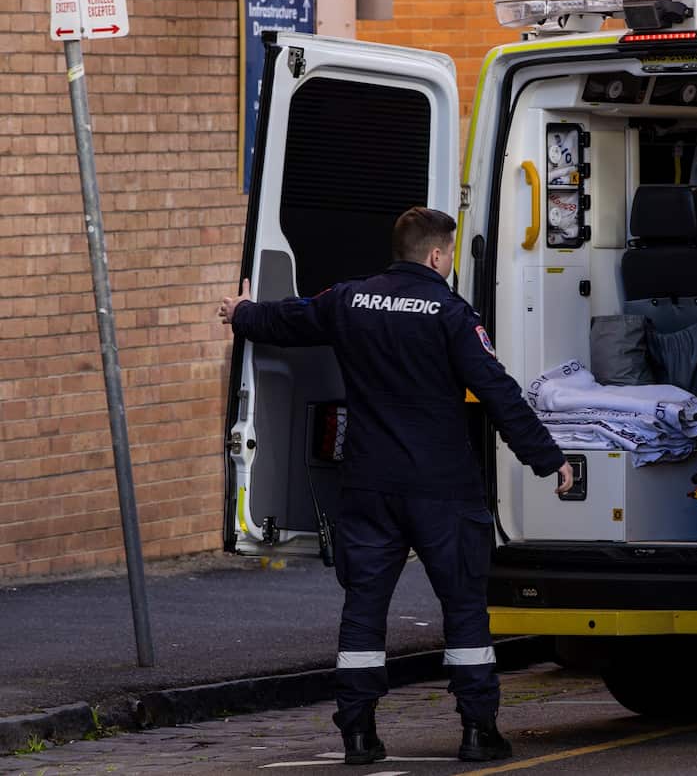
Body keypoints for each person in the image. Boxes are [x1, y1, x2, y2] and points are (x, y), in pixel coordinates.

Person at [217, 207, 572, 765]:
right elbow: (498, 392)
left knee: (364, 608)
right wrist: (548, 460)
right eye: (449, 254)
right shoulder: (451, 314)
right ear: (436, 255)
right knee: (463, 609)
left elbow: (289, 320)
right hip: (441, 488)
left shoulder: (351, 300)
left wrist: (243, 314)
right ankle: (478, 731)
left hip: (369, 486)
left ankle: (358, 735)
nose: (450, 263)